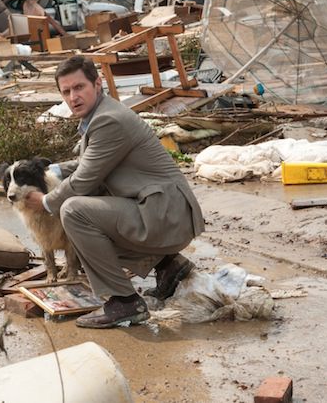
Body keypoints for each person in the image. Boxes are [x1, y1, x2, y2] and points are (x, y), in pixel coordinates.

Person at [24, 55, 205, 329]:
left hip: (166, 214)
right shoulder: (101, 115)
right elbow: (91, 161)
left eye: (79, 87)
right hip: (162, 210)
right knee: (92, 206)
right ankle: (168, 265)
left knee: (73, 211)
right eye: (66, 91)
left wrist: (46, 201)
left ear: (97, 84)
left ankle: (125, 302)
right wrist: (51, 169)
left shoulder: (108, 120)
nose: (73, 97)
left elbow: (85, 178)